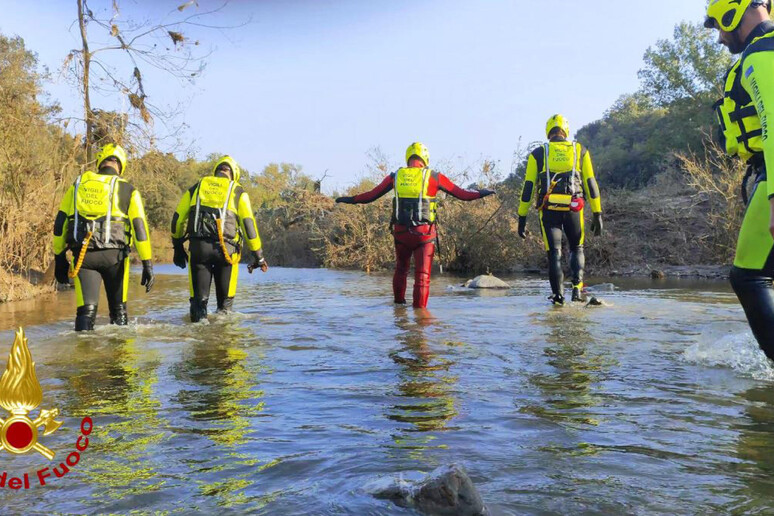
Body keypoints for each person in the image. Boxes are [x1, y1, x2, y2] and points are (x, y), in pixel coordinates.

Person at [335, 142, 495, 308]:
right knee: (422, 276)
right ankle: (420, 319)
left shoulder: (395, 176)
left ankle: (398, 310)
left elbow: (371, 196)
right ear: (425, 159)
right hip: (424, 235)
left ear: (408, 158)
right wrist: (481, 193)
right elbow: (463, 195)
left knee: (401, 270)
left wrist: (349, 199)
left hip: (401, 233)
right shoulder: (433, 177)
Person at [705, 0, 774, 360]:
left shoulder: (761, 52)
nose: (719, 37)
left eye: (719, 25)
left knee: (748, 276)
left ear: (734, 12)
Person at [53, 143, 155, 331]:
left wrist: (59, 257)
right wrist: (147, 263)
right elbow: (140, 229)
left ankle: (82, 356)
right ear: (121, 165)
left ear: (100, 162)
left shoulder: (77, 185)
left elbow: (60, 224)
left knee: (85, 312)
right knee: (119, 311)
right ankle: (121, 357)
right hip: (114, 257)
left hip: (84, 257)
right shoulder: (128, 189)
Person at [517, 115, 603, 305]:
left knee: (554, 253)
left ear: (548, 131)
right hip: (574, 208)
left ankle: (558, 297)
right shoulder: (580, 150)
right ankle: (576, 291)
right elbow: (590, 182)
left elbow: (528, 187)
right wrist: (598, 213)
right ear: (566, 131)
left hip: (548, 210)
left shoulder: (538, 153)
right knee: (576, 247)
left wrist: (522, 217)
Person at [171, 156, 268, 322]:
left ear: (215, 171)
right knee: (225, 310)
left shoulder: (197, 187)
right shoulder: (237, 191)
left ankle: (198, 335)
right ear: (234, 175)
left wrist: (177, 246)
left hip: (198, 250)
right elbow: (249, 226)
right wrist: (258, 256)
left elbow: (178, 219)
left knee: (198, 306)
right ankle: (223, 341)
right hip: (226, 252)